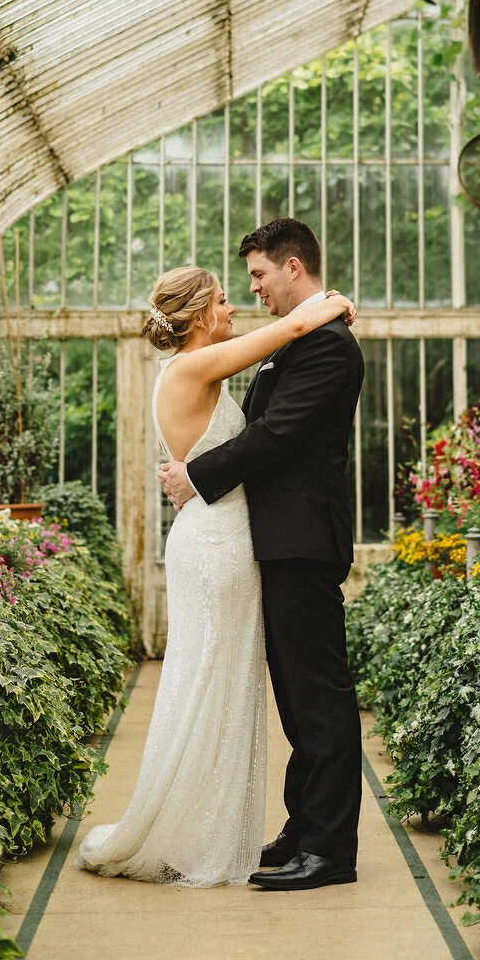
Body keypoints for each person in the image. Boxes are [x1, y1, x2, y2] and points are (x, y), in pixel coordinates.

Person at [76, 261, 355, 887]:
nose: (237, 306)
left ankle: (225, 825)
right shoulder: (198, 364)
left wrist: (195, 475)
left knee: (220, 681)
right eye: (226, 299)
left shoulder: (198, 368)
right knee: (211, 681)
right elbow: (287, 331)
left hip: (225, 537)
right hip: (217, 545)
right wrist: (332, 303)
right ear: (202, 313)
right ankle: (199, 829)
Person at [160, 218, 365, 892]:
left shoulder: (328, 346)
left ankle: (330, 851)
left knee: (320, 698)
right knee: (296, 699)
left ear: (294, 269)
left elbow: (275, 435)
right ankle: (304, 825)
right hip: (275, 541)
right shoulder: (295, 343)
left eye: (259, 275)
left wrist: (196, 476)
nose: (253, 290)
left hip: (304, 542)